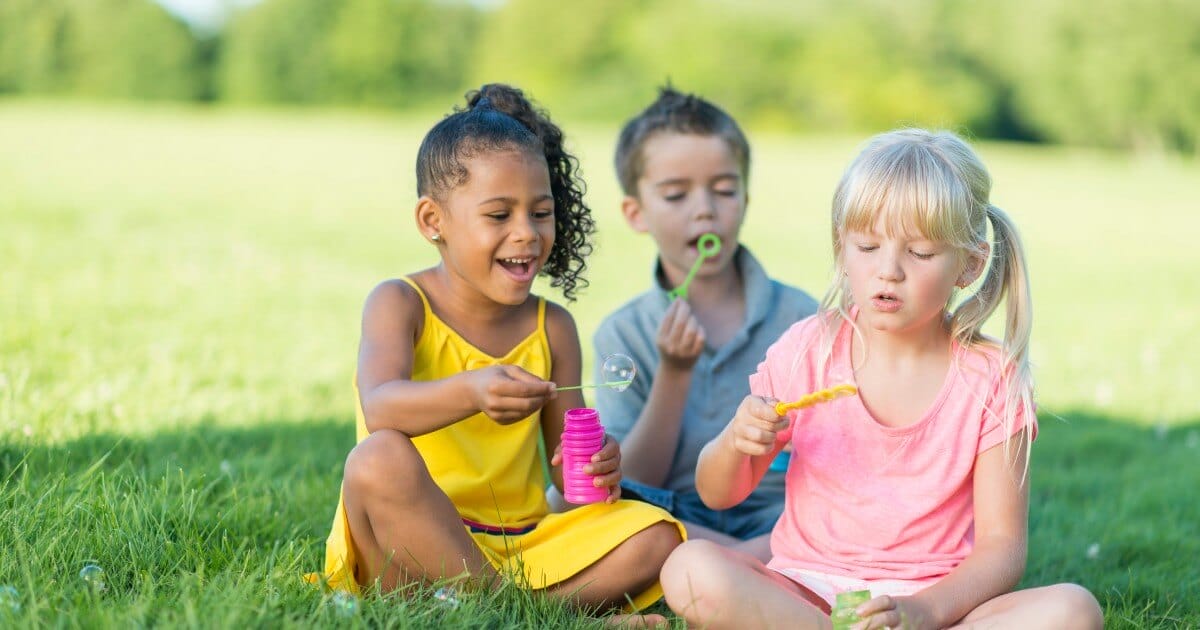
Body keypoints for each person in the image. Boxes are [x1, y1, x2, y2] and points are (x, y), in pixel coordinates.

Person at [659, 129, 1104, 629]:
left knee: (1072, 610)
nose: (888, 270)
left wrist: (924, 611)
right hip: (805, 593)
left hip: (934, 605)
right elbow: (717, 493)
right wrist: (737, 443)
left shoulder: (991, 378)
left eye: (920, 253)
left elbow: (1002, 549)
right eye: (867, 246)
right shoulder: (807, 350)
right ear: (842, 247)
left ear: (970, 264)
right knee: (689, 570)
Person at [307, 84, 684, 623]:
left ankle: (508, 611)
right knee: (376, 458)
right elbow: (381, 408)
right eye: (499, 215)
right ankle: (536, 614)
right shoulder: (399, 303)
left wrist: (599, 467)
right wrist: (472, 390)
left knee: (658, 535)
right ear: (433, 221)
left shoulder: (552, 327)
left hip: (518, 544)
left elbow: (568, 486)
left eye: (540, 213)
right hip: (405, 547)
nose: (526, 234)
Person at [586, 87, 818, 558]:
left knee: (844, 520)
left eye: (725, 190)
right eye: (676, 194)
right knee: (599, 509)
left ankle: (710, 566)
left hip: (778, 515)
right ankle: (749, 566)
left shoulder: (802, 317)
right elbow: (634, 479)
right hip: (671, 512)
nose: (705, 209)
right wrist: (673, 372)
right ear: (636, 213)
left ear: (745, 200)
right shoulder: (622, 333)